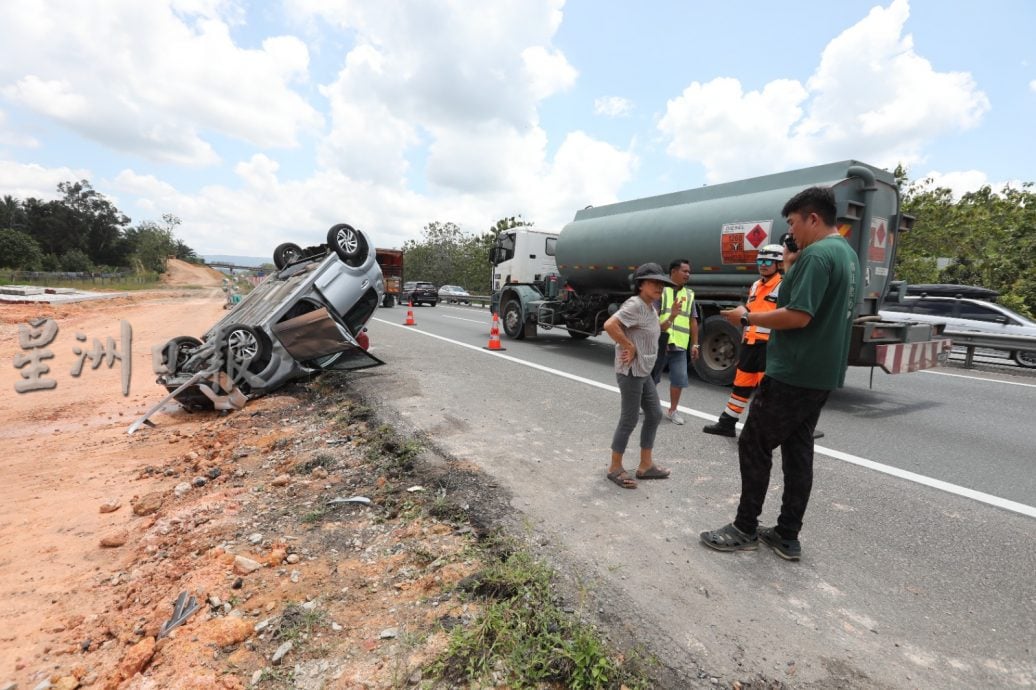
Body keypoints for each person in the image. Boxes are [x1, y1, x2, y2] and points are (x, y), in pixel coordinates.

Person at [699, 186, 859, 560]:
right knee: (798, 450)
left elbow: (798, 315)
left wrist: (747, 317)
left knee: (754, 443)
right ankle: (787, 534)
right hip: (821, 372)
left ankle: (744, 527)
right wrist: (790, 263)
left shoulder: (817, 255)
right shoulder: (846, 254)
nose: (792, 232)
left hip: (793, 371)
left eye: (793, 223)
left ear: (812, 218)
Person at [602, 262, 678, 489]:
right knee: (630, 418)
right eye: (654, 282)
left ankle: (646, 465)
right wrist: (628, 345)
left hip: (643, 370)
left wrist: (672, 316)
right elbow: (610, 324)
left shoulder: (650, 307)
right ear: (641, 284)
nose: (659, 287)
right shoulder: (635, 304)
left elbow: (655, 330)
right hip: (631, 371)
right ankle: (615, 466)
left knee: (654, 414)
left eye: (662, 284)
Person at [702, 244, 784, 437]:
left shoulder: (784, 285)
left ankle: (762, 431)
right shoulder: (756, 285)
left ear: (779, 264)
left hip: (769, 346)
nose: (763, 265)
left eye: (768, 261)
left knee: (767, 391)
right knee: (741, 385)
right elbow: (749, 313)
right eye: (760, 261)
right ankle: (727, 423)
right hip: (750, 344)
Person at [651, 259, 700, 425]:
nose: (688, 274)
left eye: (689, 272)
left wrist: (695, 344)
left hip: (679, 344)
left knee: (679, 379)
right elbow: (653, 316)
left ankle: (673, 410)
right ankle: (647, 405)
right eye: (684, 271)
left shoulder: (689, 295)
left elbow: (693, 321)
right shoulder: (661, 291)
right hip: (660, 342)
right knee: (653, 377)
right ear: (673, 272)